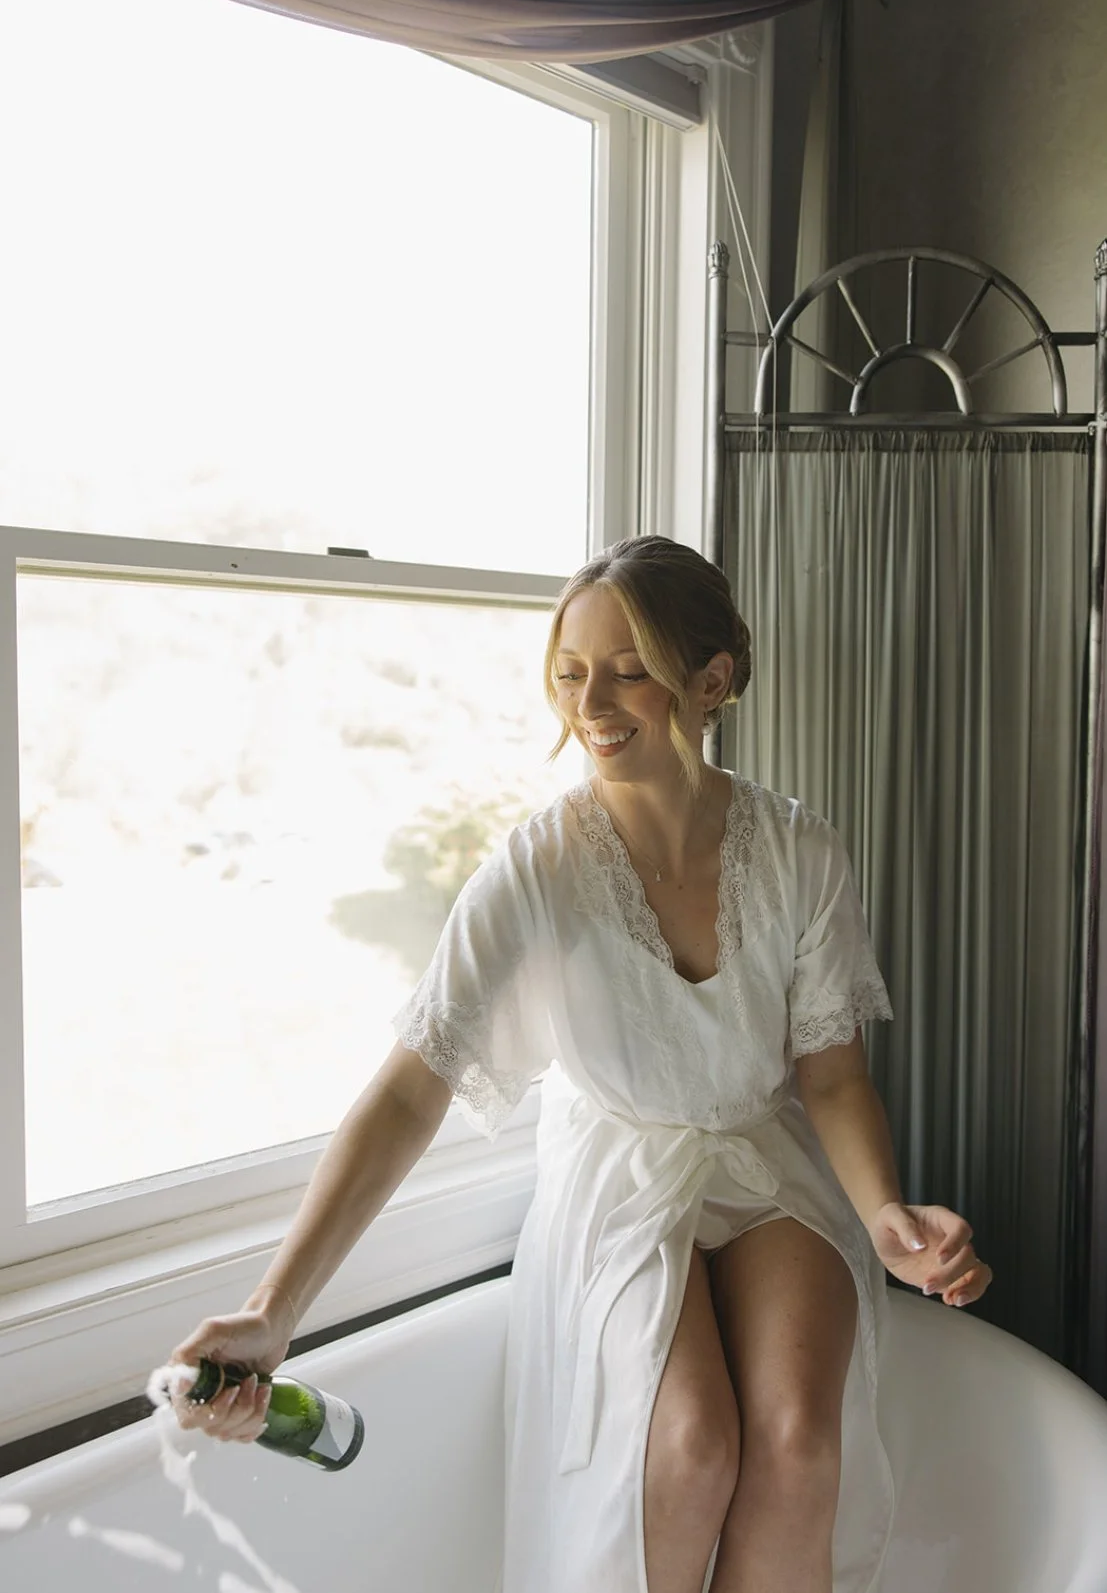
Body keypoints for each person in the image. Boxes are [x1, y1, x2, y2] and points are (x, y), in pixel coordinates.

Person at [165, 535, 992, 1593]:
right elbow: (414, 1082)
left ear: (712, 680)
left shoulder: (799, 852)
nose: (589, 700)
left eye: (627, 668)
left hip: (761, 1158)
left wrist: (886, 1216)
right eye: (570, 670)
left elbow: (829, 1073)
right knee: (691, 1446)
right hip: (620, 1171)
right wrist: (275, 1309)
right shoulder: (538, 865)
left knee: (799, 1448)